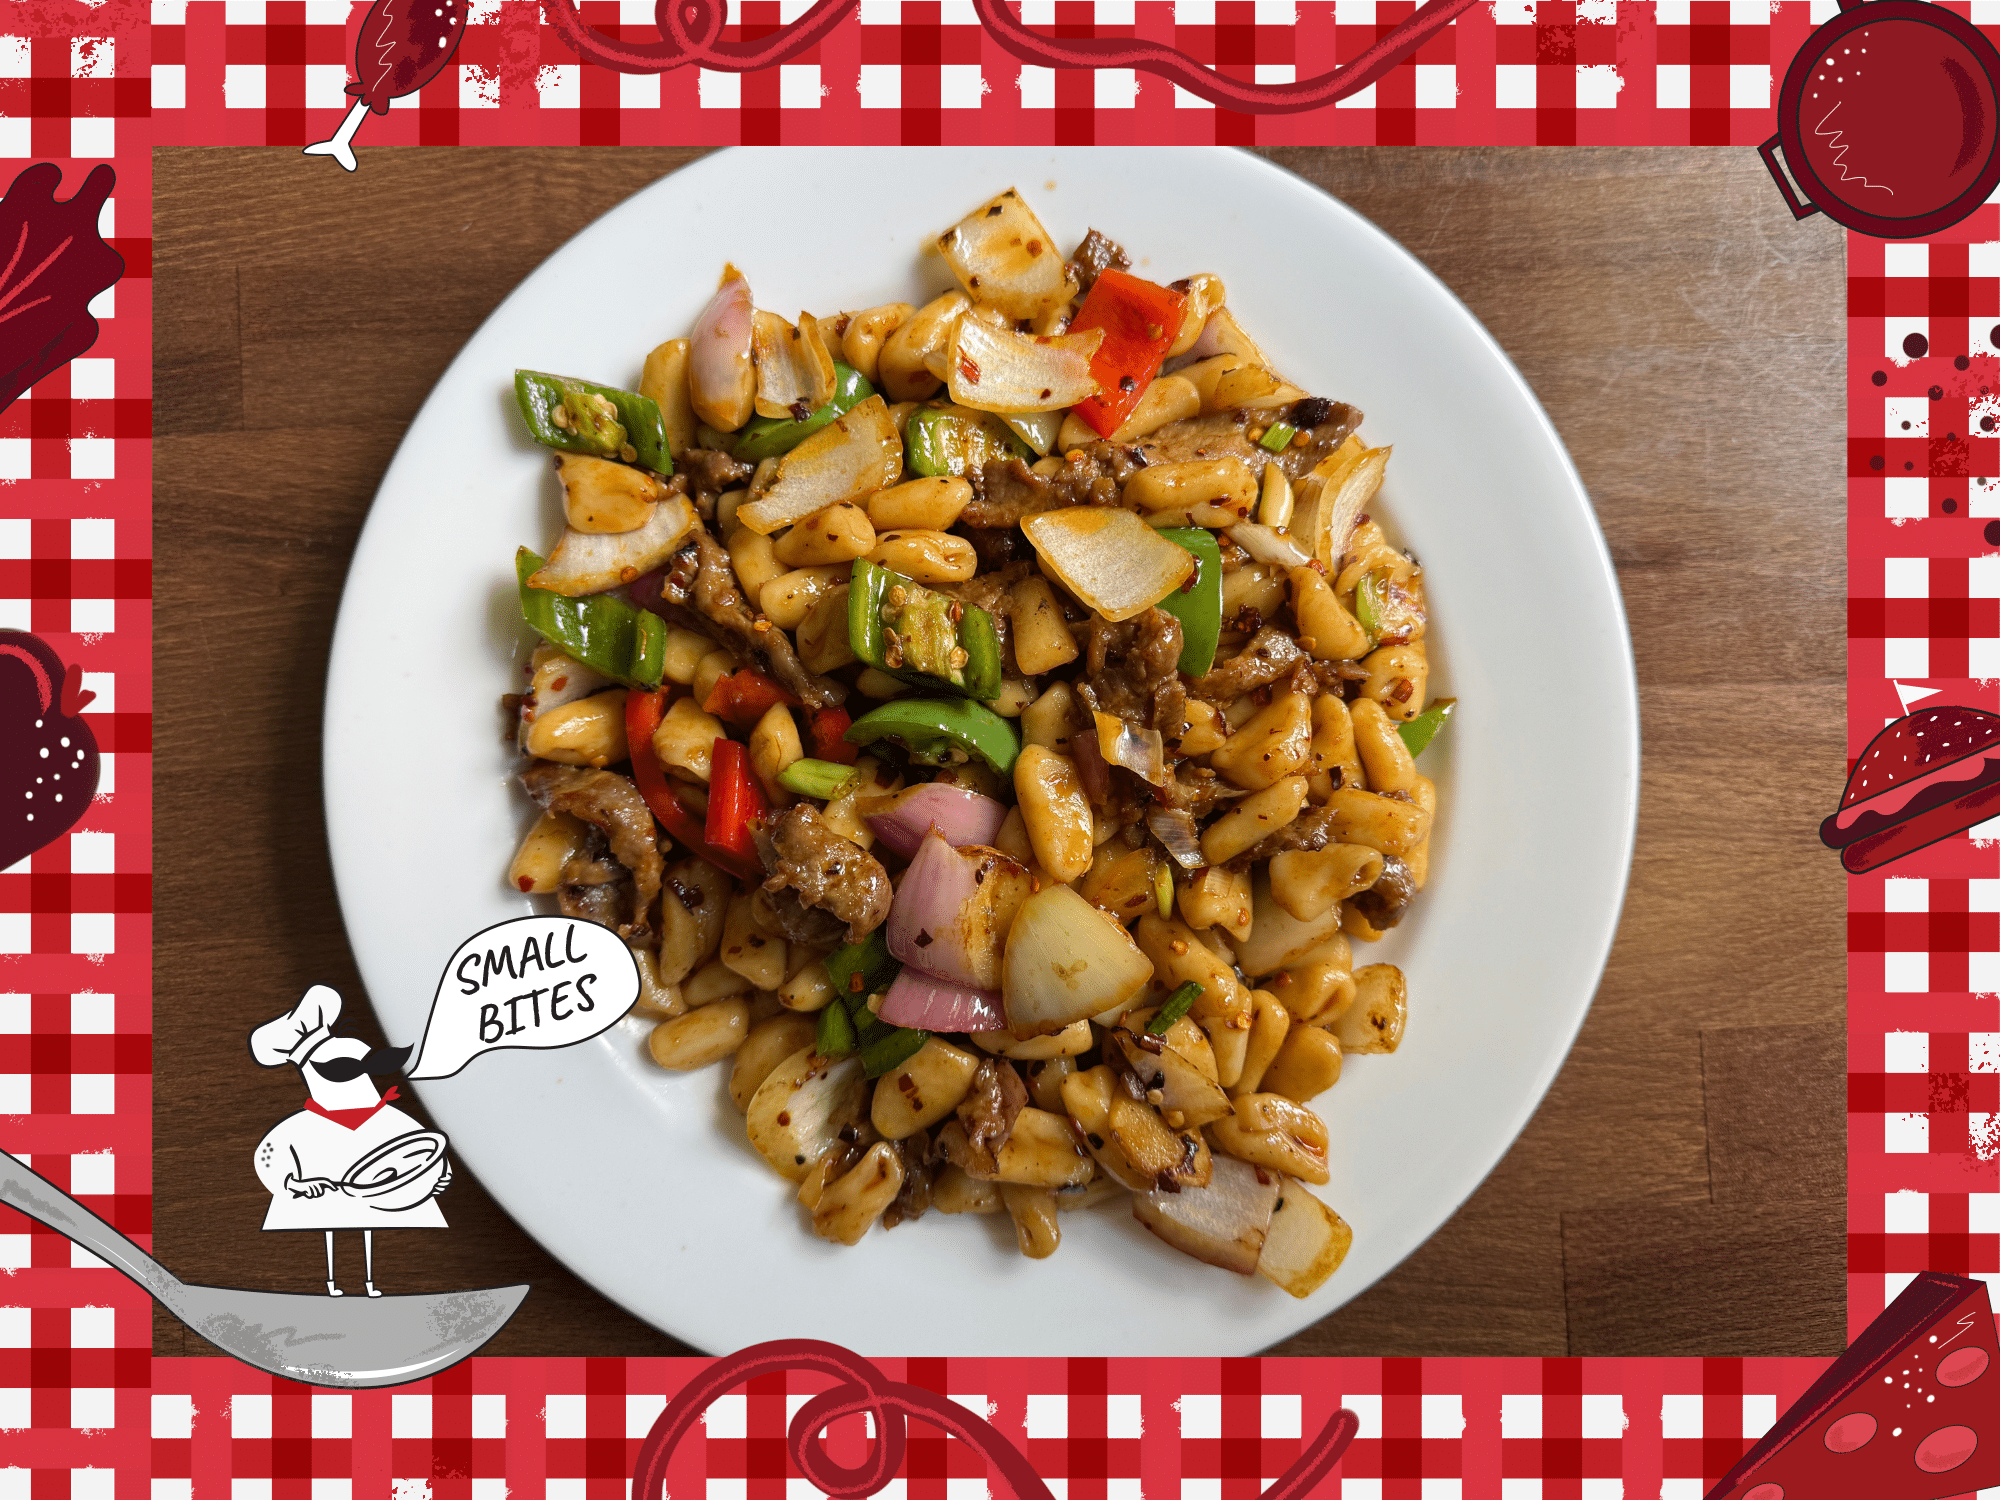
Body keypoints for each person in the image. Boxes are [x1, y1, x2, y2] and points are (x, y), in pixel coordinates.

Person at [248, 984, 449, 1296]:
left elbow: (420, 1145)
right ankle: (331, 1284)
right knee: (330, 1230)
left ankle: (369, 1283)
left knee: (369, 1229)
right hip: (320, 1196)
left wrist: (440, 1173)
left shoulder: (386, 1117)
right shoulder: (303, 1126)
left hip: (388, 1194)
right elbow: (269, 1156)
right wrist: (293, 1184)